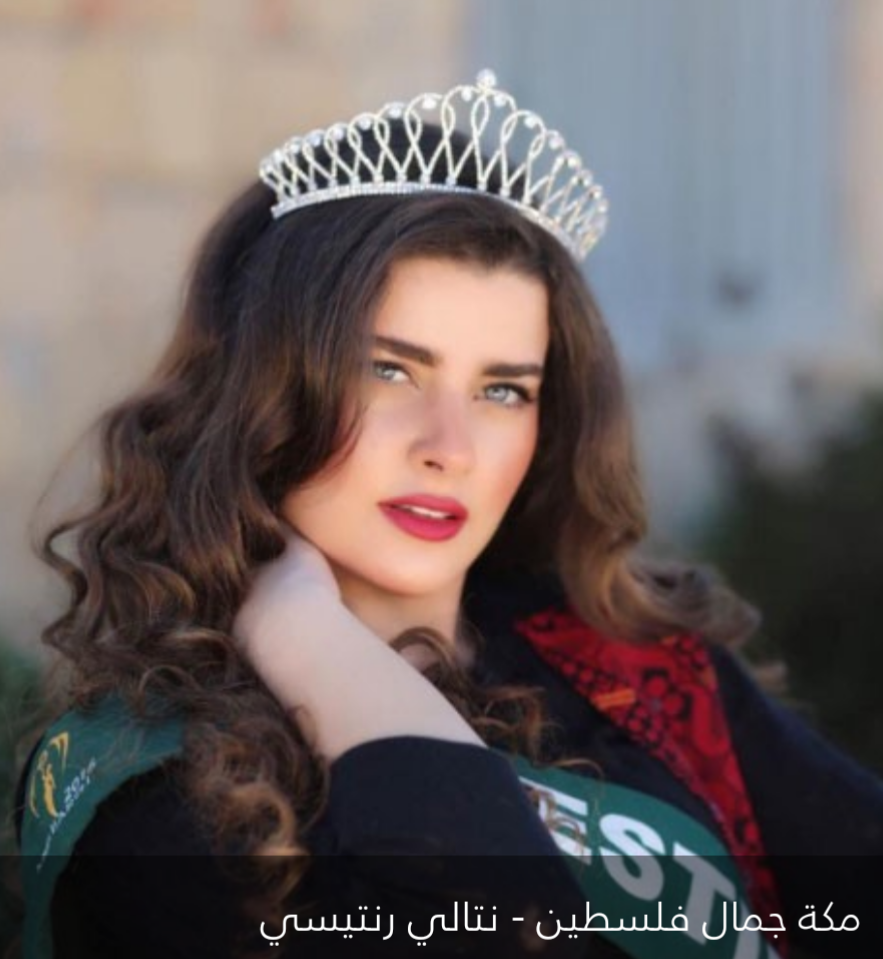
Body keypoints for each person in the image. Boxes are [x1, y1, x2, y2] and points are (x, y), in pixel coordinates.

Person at [14, 71, 883, 959]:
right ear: (265, 391)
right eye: (389, 370)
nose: (450, 446)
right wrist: (305, 636)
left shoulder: (627, 661)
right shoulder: (160, 784)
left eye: (503, 390)